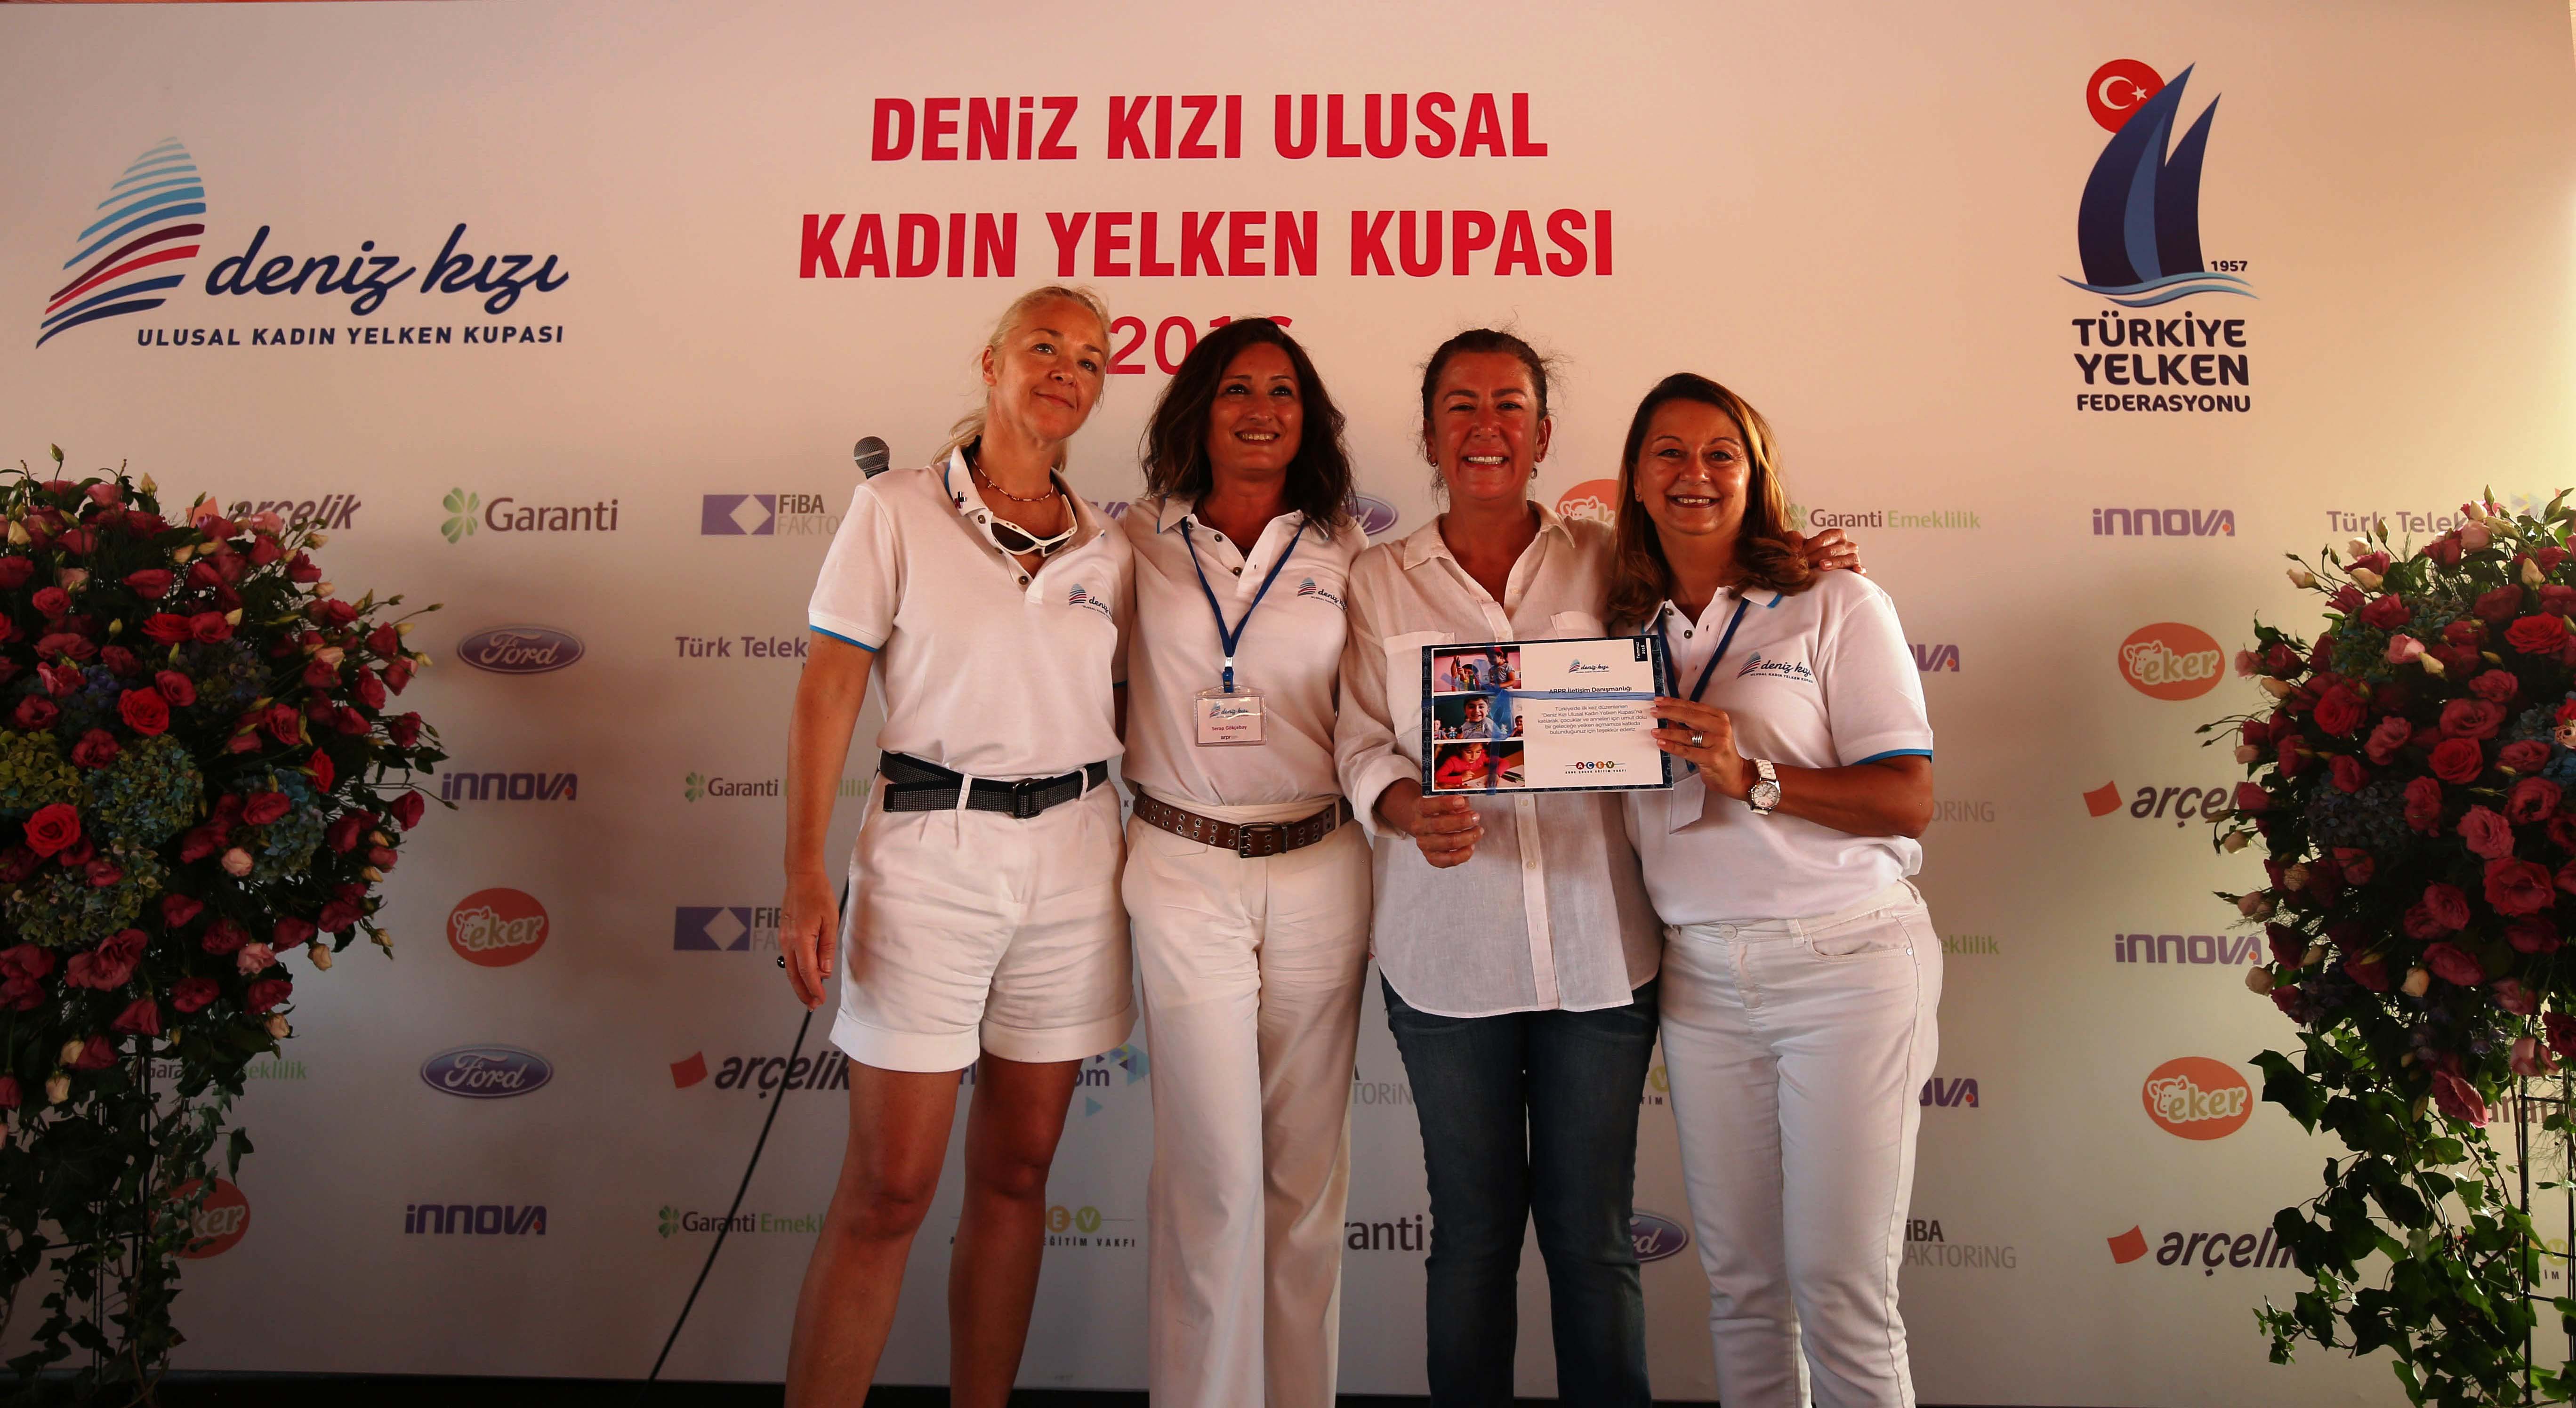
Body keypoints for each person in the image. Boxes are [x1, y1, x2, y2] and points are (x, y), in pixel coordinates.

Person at [777, 285, 1134, 1408]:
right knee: (889, 1188)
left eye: (1091, 357)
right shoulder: (894, 506)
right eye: (1045, 346)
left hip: (1076, 861)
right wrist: (801, 871)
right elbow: (829, 689)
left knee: (1019, 1172)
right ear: (992, 363)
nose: (1067, 369)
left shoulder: (1111, 545)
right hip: (931, 855)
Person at [1611, 373, 1936, 1408]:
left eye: (1722, 454)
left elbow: (1909, 799)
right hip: (1701, 976)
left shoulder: (1835, 600)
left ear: (1756, 476)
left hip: (1845, 960)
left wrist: (1754, 776)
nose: (1695, 474)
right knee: (1743, 1288)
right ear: (1635, 478)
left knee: (1841, 1289)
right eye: (1669, 452)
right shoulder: (1612, 625)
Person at [1118, 317, 1372, 1408]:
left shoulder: (1350, 551)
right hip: (1183, 862)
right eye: (1236, 388)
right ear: (1197, 410)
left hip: (1321, 861)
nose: (1261, 409)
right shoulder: (1132, 539)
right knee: (1213, 1177)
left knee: (1303, 1182)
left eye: (1282, 391)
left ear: (1307, 418)